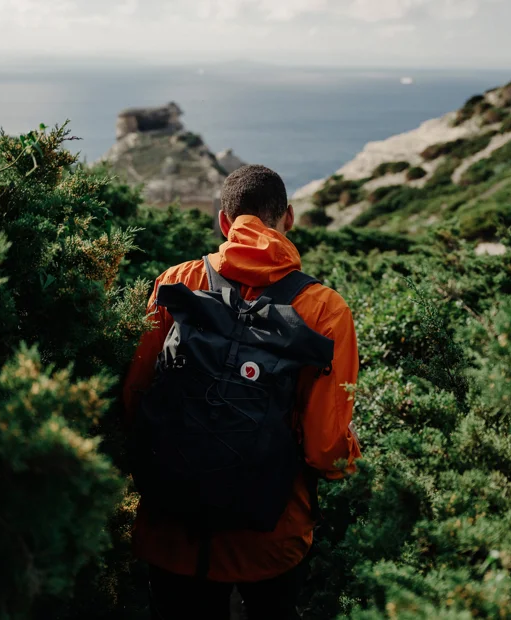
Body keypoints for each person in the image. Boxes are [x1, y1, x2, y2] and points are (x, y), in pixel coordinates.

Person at [122, 164, 362, 620]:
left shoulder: (178, 282)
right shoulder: (325, 309)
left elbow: (136, 397)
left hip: (172, 527)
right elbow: (324, 448)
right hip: (271, 537)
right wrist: (350, 455)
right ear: (288, 218)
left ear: (224, 222)